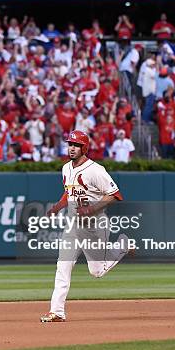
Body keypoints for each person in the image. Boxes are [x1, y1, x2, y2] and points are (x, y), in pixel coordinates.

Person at [40, 130, 132, 323]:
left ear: (84, 148)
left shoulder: (95, 170)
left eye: (76, 145)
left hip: (94, 225)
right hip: (73, 225)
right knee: (63, 265)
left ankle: (123, 245)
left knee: (96, 271)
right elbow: (69, 192)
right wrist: (57, 207)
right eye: (70, 144)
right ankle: (57, 312)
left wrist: (92, 208)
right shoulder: (66, 168)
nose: (71, 148)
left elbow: (115, 194)